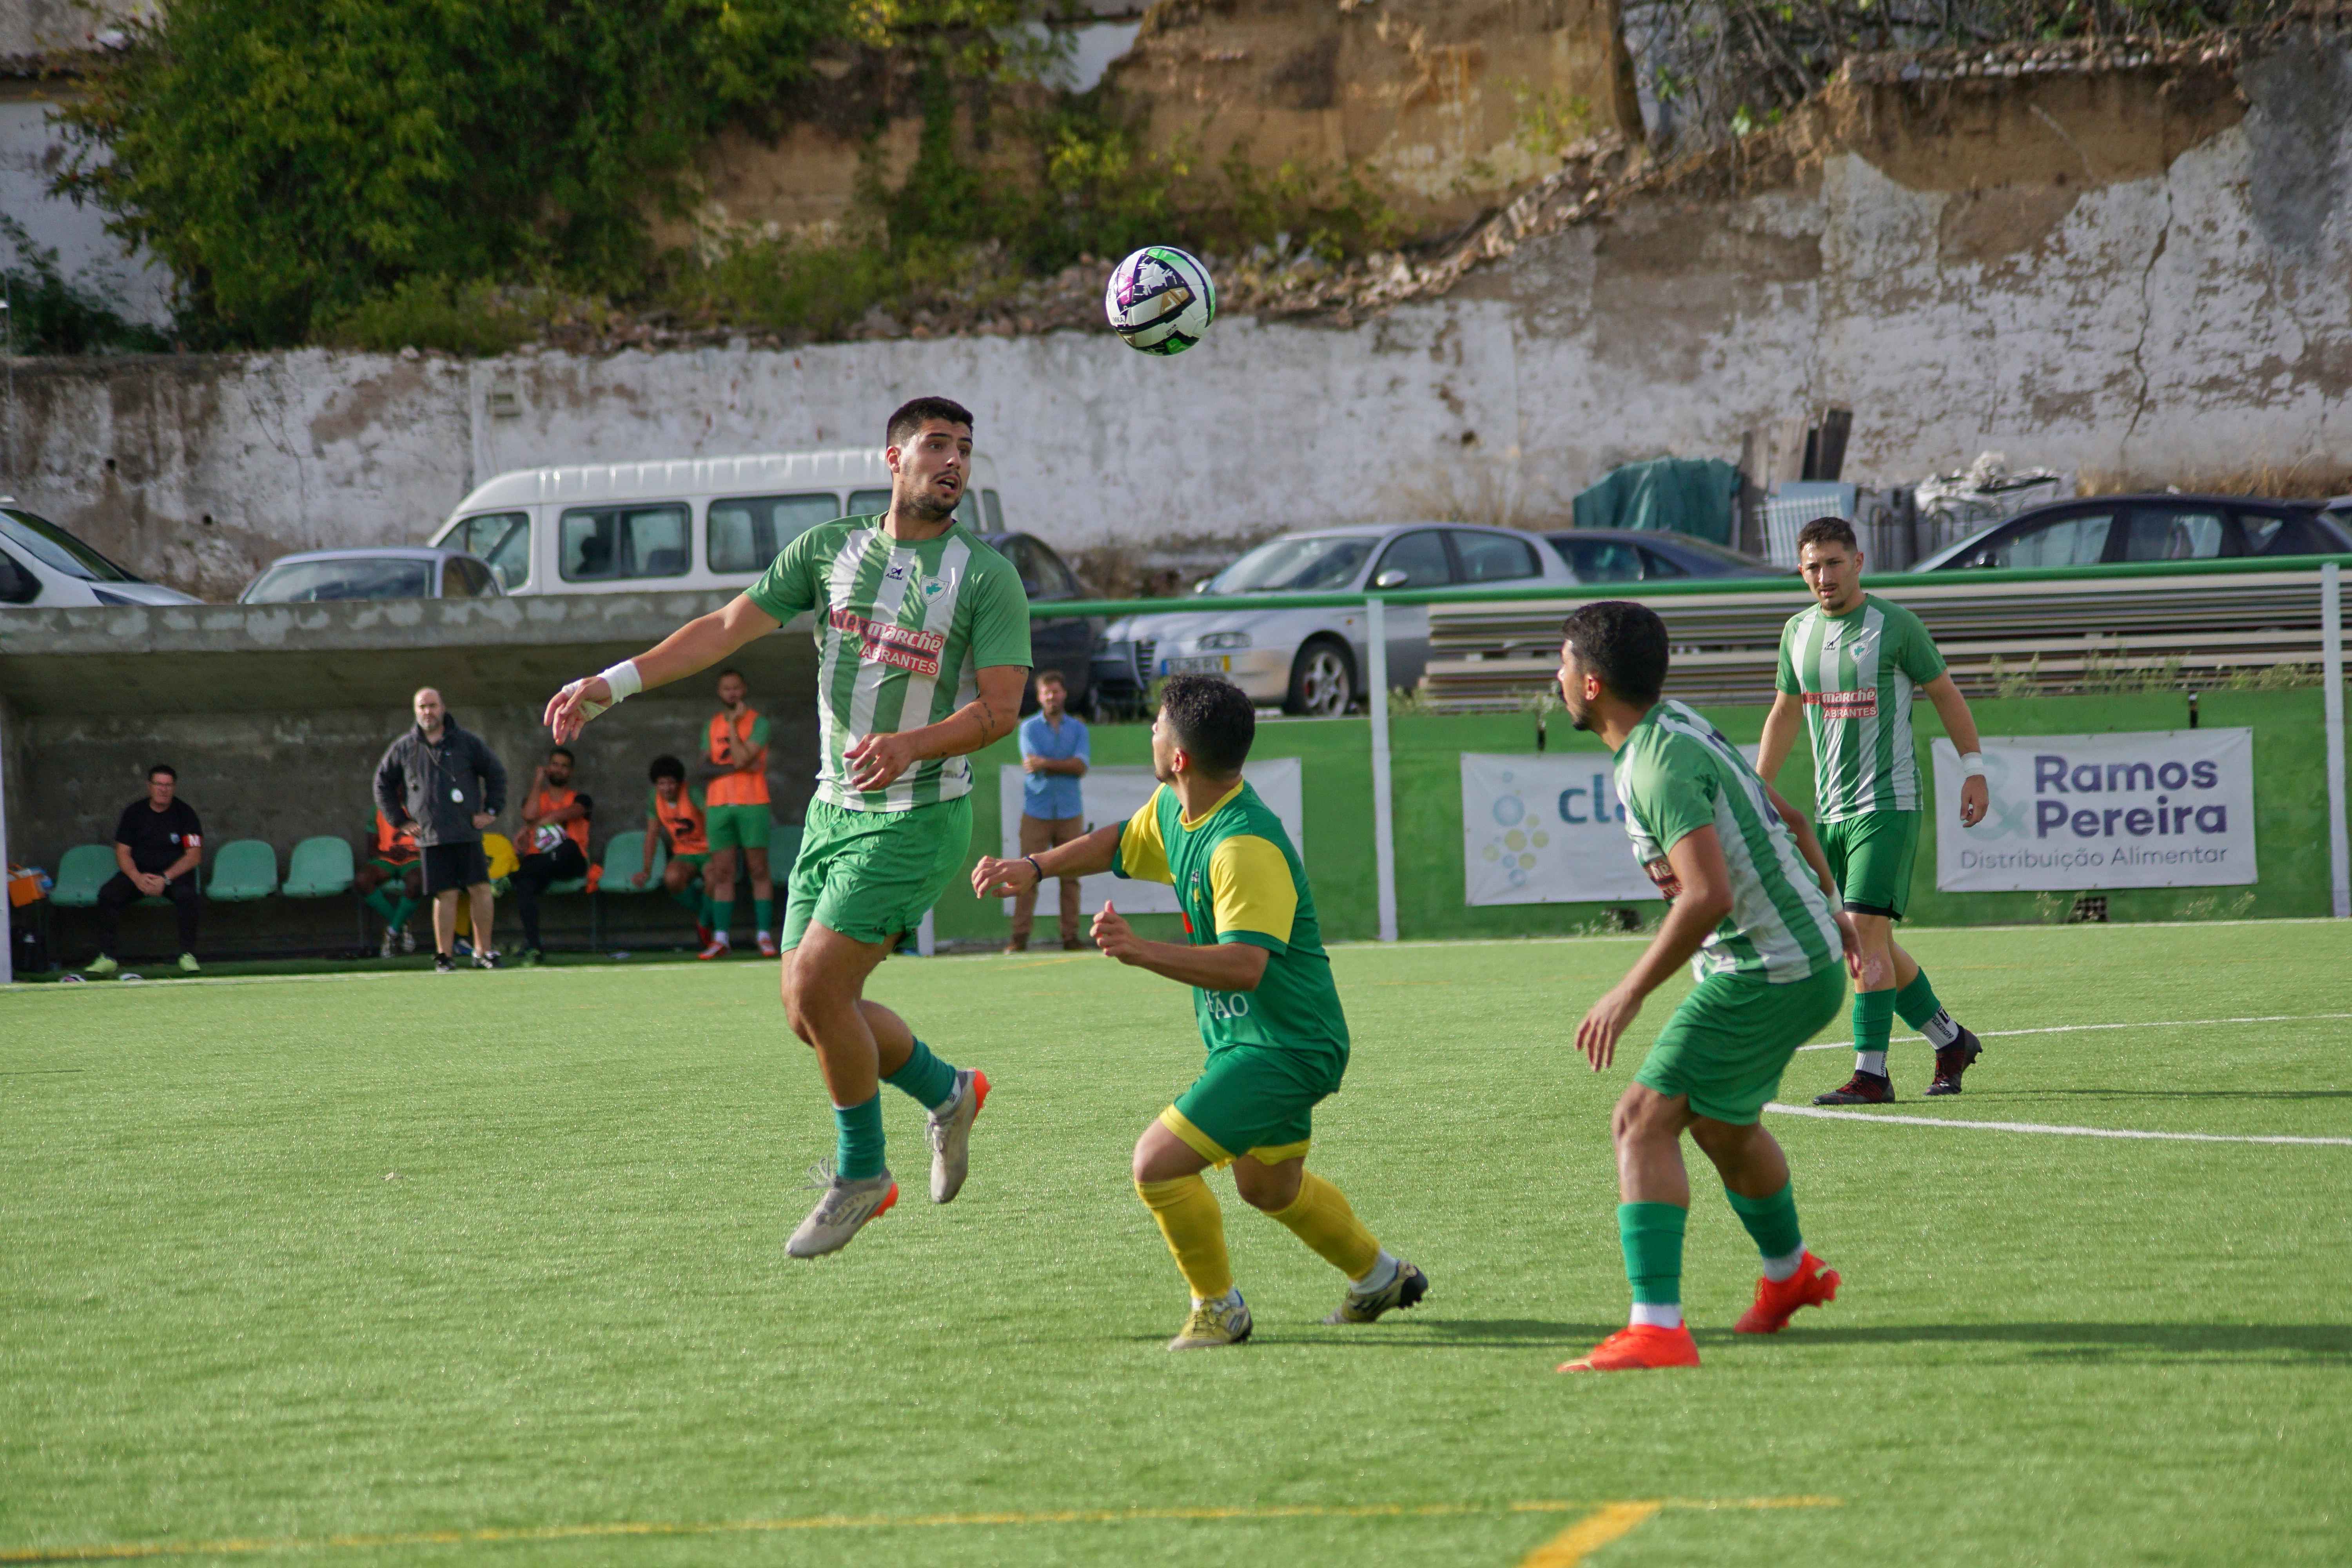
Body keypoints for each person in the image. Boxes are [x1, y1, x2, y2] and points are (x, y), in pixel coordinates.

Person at [544, 396, 1031, 1259]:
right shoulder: (829, 550)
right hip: (831, 811)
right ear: (893, 459)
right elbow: (725, 629)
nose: (954, 461)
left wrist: (911, 743)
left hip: (918, 817)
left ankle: (862, 1174)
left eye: (965, 447)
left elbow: (1000, 708)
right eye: (935, 445)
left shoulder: (986, 576)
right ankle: (949, 1091)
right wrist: (611, 683)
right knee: (810, 1013)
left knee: (816, 990)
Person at [973, 676, 1427, 1350]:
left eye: (1158, 726)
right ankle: (1381, 1276)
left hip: (1287, 1045)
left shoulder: (1242, 846)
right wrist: (1036, 867)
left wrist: (1139, 951)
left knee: (1157, 1163)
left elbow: (1246, 966)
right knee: (1269, 1188)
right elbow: (1119, 842)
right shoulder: (1177, 808)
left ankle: (1219, 1310)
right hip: (1256, 1038)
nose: (1152, 733)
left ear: (1180, 757)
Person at [1550, 601, 1868, 1373]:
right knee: (1723, 1128)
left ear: (1592, 685)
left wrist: (1628, 992)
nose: (1555, 678)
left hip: (1768, 968)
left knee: (1640, 1122)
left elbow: (1708, 895)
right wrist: (1831, 909)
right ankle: (1791, 1275)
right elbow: (1789, 818)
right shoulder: (1677, 727)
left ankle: (1657, 1327)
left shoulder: (1655, 765)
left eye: (1562, 665)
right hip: (1798, 957)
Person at [1757, 515, 1989, 1103]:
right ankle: (1950, 1040)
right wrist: (1757, 787)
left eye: (1835, 563)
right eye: (1813, 566)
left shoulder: (1896, 625)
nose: (1824, 576)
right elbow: (1785, 712)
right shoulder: (1797, 632)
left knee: (1863, 933)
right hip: (1830, 812)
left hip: (1888, 803)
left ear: (1858, 563)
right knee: (1865, 939)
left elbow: (1945, 693)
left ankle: (1872, 1074)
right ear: (1801, 571)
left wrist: (1974, 769)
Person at [374, 687, 508, 973]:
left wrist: (491, 811)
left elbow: (496, 773)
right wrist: (401, 821)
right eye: (422, 707)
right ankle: (444, 956)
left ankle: (483, 952)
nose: (428, 712)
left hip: (466, 831)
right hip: (432, 836)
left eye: (433, 706)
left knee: (481, 889)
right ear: (415, 711)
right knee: (445, 895)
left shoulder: (467, 742)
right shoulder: (405, 747)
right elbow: (382, 783)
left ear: (443, 707)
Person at [87, 763, 203, 976]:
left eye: (168, 785)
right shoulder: (134, 813)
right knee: (108, 895)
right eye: (159, 784)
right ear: (149, 786)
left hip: (173, 877)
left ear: (174, 787)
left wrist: (165, 879)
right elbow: (122, 852)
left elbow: (194, 856)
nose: (163, 789)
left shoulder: (186, 814)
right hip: (139, 875)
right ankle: (107, 957)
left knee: (188, 896)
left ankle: (188, 955)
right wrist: (137, 878)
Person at [1008, 669, 1091, 953]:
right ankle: (1019, 938)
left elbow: (1081, 767)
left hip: (1070, 813)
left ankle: (1071, 937)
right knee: (1026, 875)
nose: (1052, 697)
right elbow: (1033, 764)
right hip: (1036, 812)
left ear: (1064, 694)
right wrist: (1064, 765)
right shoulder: (1028, 728)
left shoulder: (1079, 729)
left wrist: (1047, 764)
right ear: (1039, 697)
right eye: (1047, 692)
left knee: (1071, 878)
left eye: (1056, 691)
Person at [697, 668, 776, 960]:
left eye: (736, 688)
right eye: (726, 688)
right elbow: (703, 769)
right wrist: (739, 768)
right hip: (718, 805)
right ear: (720, 693)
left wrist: (733, 726)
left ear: (744, 690)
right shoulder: (711, 725)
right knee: (723, 872)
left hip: (753, 802)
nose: (732, 693)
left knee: (758, 869)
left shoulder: (759, 723)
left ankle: (764, 935)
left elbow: (742, 757)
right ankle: (721, 939)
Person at [512, 746, 592, 965]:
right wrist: (538, 781)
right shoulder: (537, 798)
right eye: (555, 764)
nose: (559, 769)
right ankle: (534, 947)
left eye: (564, 767)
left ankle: (512, 877)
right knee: (525, 884)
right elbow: (528, 814)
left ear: (571, 772)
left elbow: (569, 813)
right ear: (548, 767)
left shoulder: (581, 798)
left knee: (568, 846)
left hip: (570, 861)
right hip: (540, 865)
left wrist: (534, 825)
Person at [637, 754, 715, 947]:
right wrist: (646, 869)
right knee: (672, 879)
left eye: (671, 783)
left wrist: (720, 852)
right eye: (662, 784)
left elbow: (712, 817)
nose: (667, 788)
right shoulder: (654, 799)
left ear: (680, 783)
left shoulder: (692, 793)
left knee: (715, 878)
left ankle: (705, 924)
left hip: (709, 851)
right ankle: (704, 915)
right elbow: (652, 834)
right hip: (684, 853)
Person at [354, 809, 423, 956]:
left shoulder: (419, 804)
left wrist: (411, 853)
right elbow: (371, 849)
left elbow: (434, 841)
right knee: (362, 880)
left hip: (415, 858)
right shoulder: (379, 808)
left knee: (417, 882)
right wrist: (388, 854)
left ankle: (392, 931)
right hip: (386, 859)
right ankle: (400, 924)